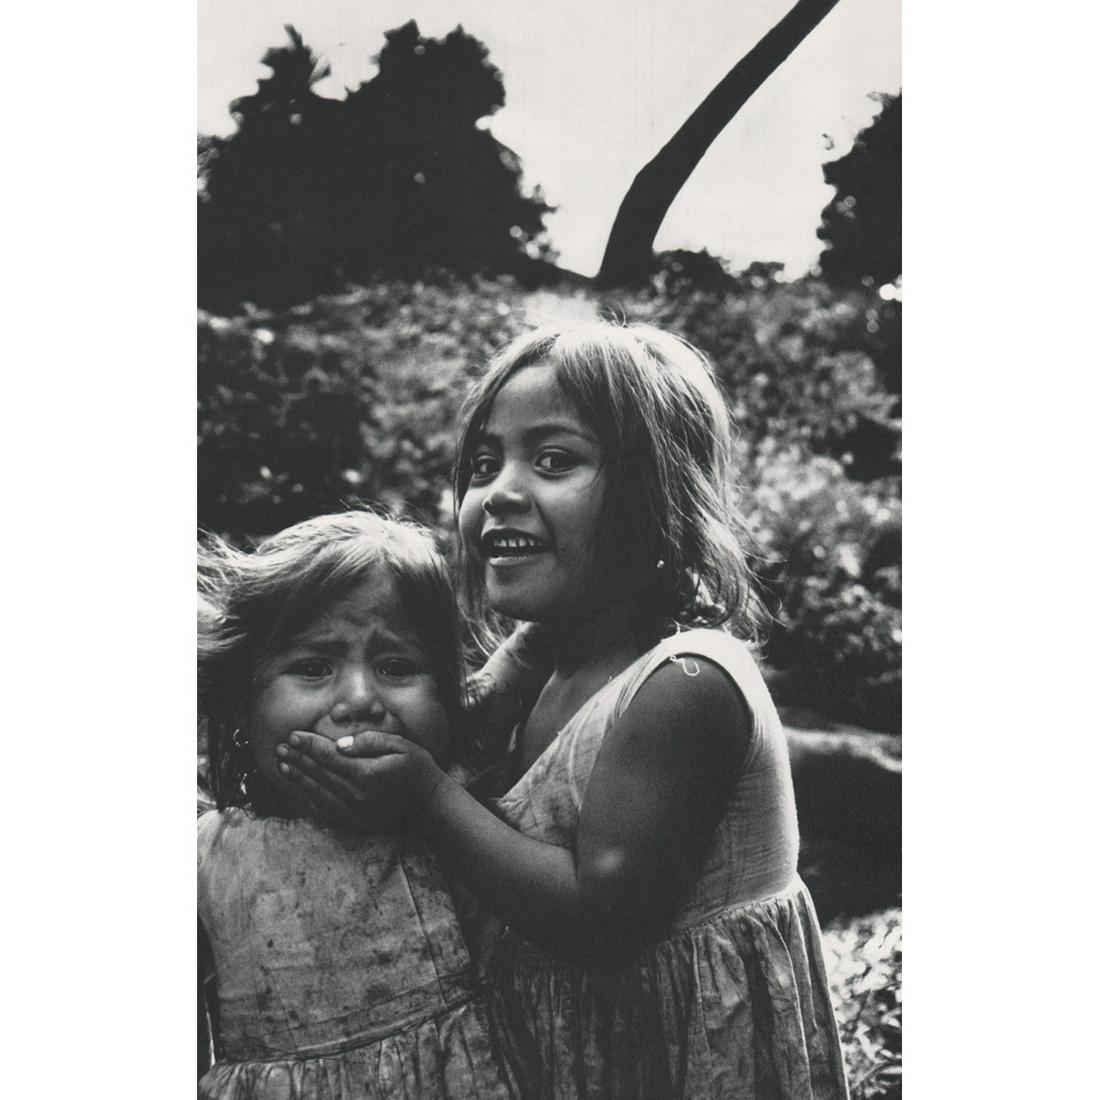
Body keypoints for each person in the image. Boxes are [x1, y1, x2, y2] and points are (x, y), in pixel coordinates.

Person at [279, 322, 850, 1099]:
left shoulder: (684, 685)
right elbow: (464, 733)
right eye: (484, 464)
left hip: (681, 1060)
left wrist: (425, 800)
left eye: (554, 460)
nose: (501, 491)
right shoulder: (550, 651)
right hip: (587, 1049)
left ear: (658, 496)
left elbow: (599, 918)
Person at [196, 510, 522, 1100]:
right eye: (313, 668)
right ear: (243, 707)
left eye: (396, 667)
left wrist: (432, 801)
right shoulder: (209, 861)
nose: (359, 700)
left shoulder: (467, 818)